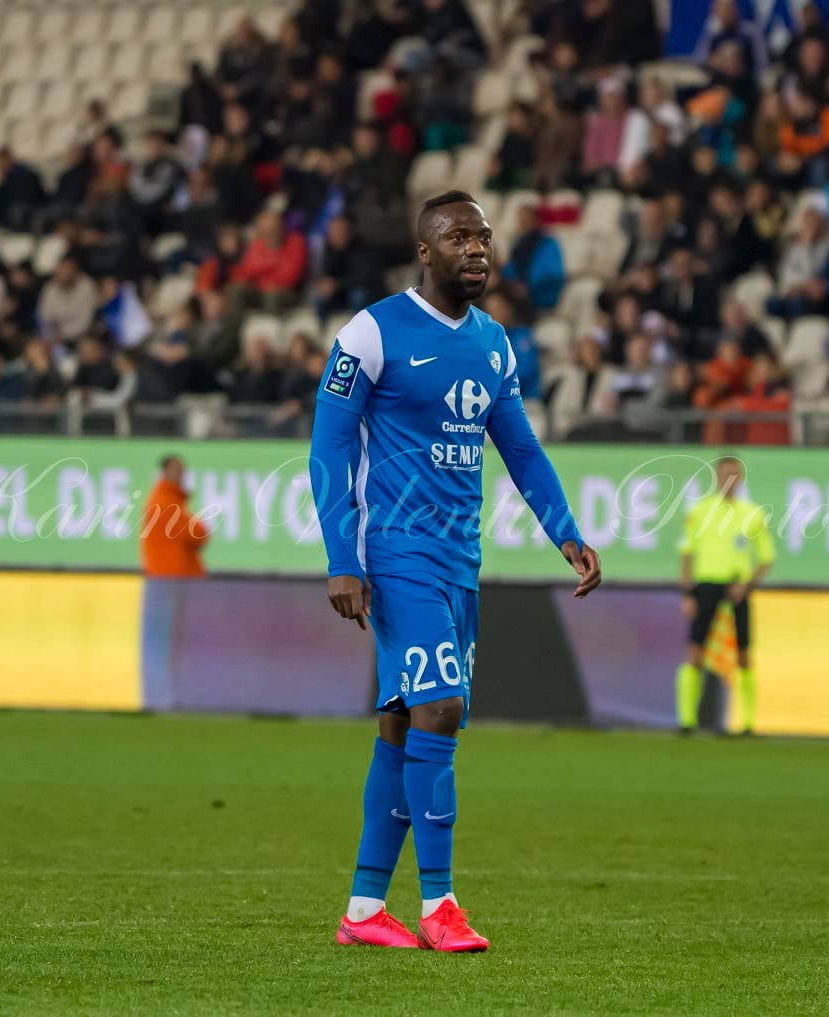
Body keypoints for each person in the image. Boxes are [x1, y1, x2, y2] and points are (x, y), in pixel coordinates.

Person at [308, 191, 600, 953]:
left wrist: (564, 533)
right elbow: (328, 447)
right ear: (425, 250)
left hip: (458, 558)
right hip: (395, 551)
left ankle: (364, 911)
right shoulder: (370, 333)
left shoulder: (495, 345)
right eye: (457, 237)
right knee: (438, 707)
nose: (476, 248)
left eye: (482, 235)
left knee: (403, 723)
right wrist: (343, 559)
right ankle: (440, 903)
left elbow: (522, 450)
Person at [676, 455, 775, 736]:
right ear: (717, 478)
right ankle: (686, 721)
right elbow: (686, 551)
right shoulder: (699, 511)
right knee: (695, 651)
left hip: (736, 587)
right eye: (724, 475)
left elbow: (766, 557)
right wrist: (687, 593)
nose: (729, 481)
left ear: (741, 479)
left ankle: (747, 723)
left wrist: (748, 585)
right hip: (706, 584)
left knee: (743, 654)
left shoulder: (752, 514)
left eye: (734, 476)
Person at [139, 455, 210, 577]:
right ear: (166, 471)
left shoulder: (162, 499)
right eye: (178, 470)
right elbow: (198, 534)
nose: (181, 476)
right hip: (173, 578)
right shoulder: (166, 502)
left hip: (162, 576)